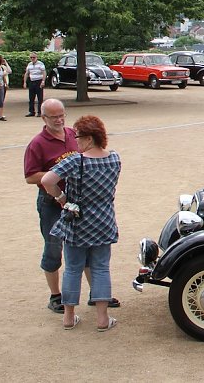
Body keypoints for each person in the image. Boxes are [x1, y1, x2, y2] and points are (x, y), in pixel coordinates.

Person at [24, 99, 120, 313]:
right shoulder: (37, 143)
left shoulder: (72, 134)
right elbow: (31, 176)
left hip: (78, 203)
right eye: (54, 117)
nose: (59, 120)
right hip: (52, 203)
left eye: (62, 115)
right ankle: (55, 295)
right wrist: (61, 176)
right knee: (53, 248)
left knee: (85, 248)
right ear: (44, 118)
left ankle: (96, 294)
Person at [42, 115, 121, 332]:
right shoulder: (114, 158)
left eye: (77, 137)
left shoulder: (76, 161)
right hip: (104, 220)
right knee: (101, 268)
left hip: (78, 221)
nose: (75, 141)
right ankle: (102, 318)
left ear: (88, 138)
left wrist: (61, 198)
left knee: (73, 269)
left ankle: (68, 316)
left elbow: (47, 180)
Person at [23, 52, 47, 117]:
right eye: (31, 57)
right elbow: (27, 73)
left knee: (40, 98)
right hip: (32, 81)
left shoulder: (40, 64)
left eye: (34, 57)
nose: (32, 59)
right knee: (31, 98)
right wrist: (25, 82)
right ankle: (31, 111)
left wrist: (43, 81)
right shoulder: (29, 64)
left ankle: (40, 112)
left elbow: (44, 72)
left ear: (36, 57)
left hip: (39, 81)